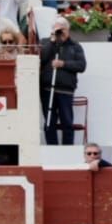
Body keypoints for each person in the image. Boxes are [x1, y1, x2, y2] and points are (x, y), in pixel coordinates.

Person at [40, 16, 86, 145]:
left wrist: (63, 64)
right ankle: (52, 148)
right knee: (49, 121)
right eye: (57, 29)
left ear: (68, 30)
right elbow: (42, 58)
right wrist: (52, 40)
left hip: (66, 90)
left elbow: (81, 66)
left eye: (63, 29)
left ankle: (68, 149)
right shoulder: (45, 42)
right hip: (48, 89)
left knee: (67, 121)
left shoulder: (75, 46)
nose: (61, 32)